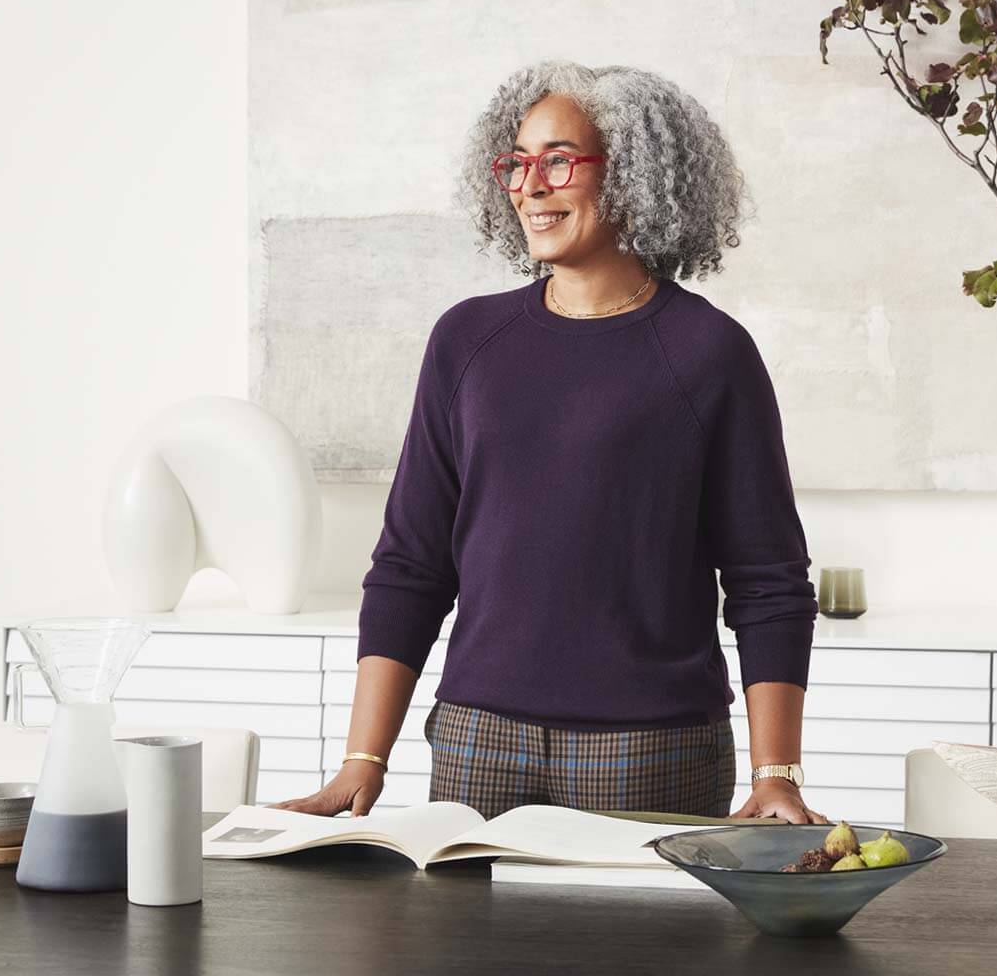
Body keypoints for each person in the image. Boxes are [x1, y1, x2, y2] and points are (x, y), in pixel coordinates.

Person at [270, 60, 827, 826]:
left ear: (632, 174)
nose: (532, 185)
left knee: (649, 954)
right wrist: (361, 761)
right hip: (475, 740)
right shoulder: (466, 340)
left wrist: (776, 774)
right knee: (457, 953)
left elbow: (767, 581)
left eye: (559, 160)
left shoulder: (707, 351)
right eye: (517, 163)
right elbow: (411, 563)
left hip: (647, 750)